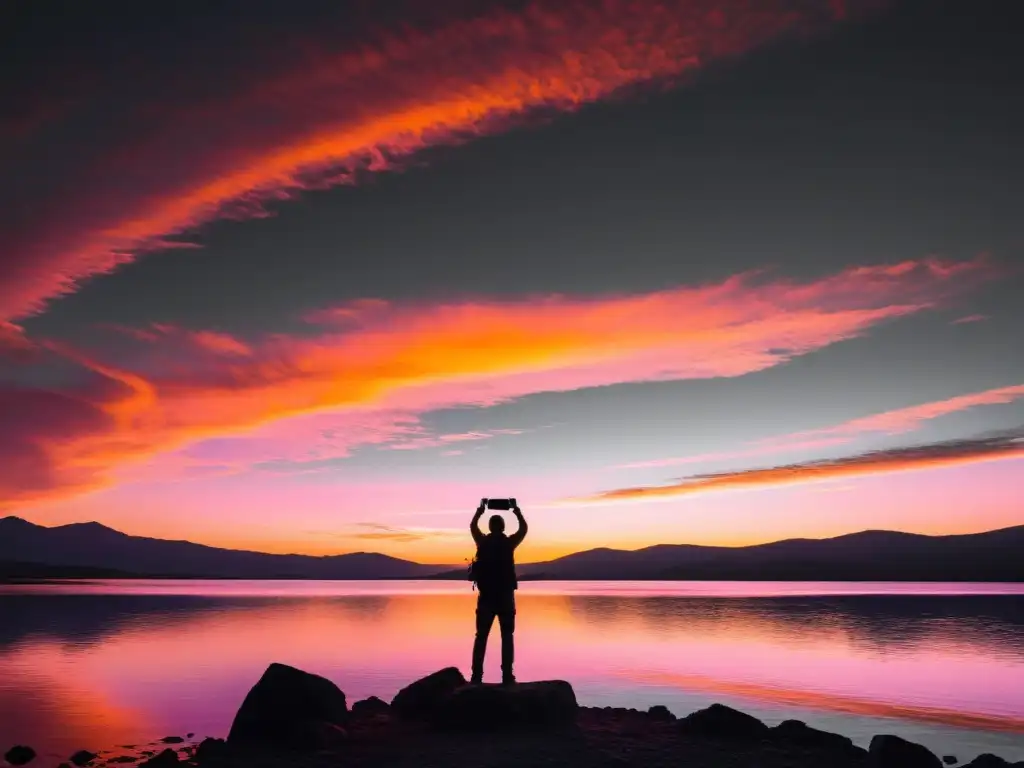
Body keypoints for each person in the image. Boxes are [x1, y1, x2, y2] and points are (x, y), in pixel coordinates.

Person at [469, 498, 528, 685]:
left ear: (490, 526)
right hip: (505, 597)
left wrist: (480, 509)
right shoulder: (509, 543)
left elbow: (472, 525)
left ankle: (476, 676)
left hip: (486, 596)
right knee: (507, 636)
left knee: (481, 636)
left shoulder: (482, 542)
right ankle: (507, 676)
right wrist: (516, 510)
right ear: (502, 527)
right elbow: (523, 529)